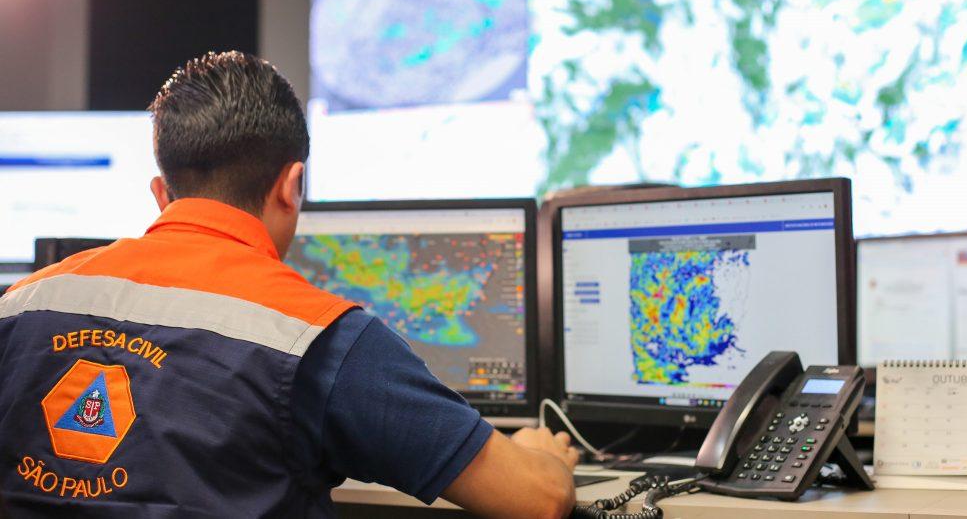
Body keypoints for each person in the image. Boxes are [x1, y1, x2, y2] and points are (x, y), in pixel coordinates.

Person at [0, 52, 577, 518]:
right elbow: (537, 501)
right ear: (291, 186)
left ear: (161, 192)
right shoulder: (319, 336)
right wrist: (540, 455)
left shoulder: (22, 303)